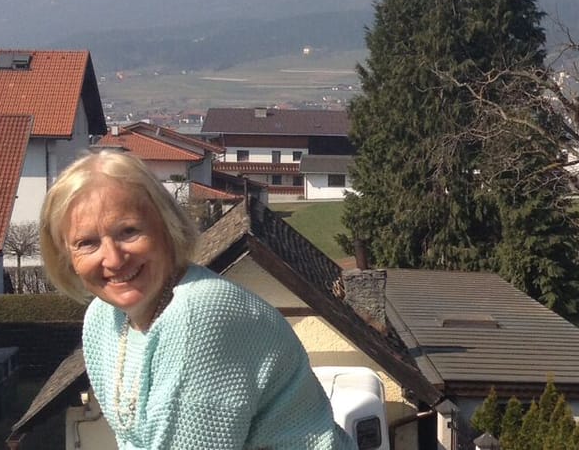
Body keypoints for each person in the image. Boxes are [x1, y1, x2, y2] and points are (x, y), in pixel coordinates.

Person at [40, 150, 357, 449]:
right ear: (66, 258)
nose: (112, 258)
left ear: (166, 227)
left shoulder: (198, 314)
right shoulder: (102, 320)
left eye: (128, 232)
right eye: (87, 243)